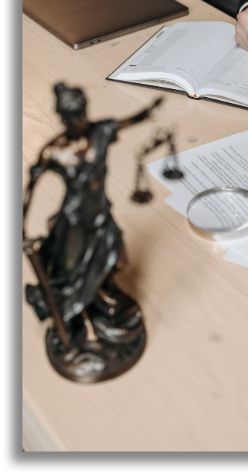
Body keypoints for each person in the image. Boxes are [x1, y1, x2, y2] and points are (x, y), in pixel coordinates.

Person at [23, 82, 163, 381]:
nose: (79, 121)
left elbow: (127, 121)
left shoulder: (99, 131)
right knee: (74, 272)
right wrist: (20, 223)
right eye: (73, 117)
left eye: (81, 114)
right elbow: (32, 185)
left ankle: (100, 297)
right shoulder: (57, 149)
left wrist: (150, 111)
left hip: (100, 214)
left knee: (117, 260)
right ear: (63, 118)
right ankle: (82, 317)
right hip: (75, 222)